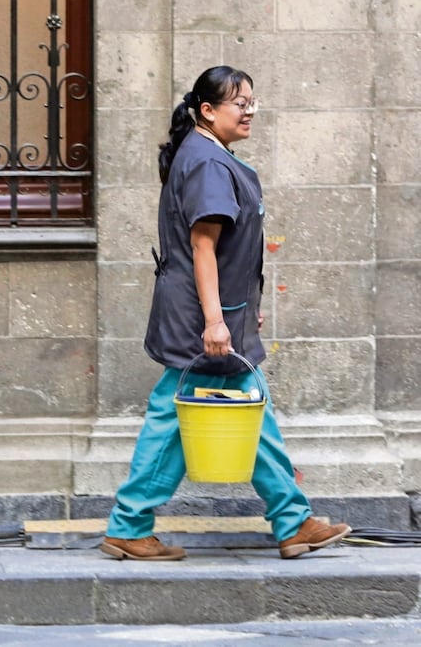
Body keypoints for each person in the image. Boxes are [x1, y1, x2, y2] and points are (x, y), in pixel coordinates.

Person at [100, 65, 351, 561]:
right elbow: (203, 246)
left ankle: (290, 519)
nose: (250, 109)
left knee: (239, 408)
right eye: (240, 102)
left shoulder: (206, 154)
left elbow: (227, 251)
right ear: (208, 110)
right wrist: (216, 321)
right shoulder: (210, 163)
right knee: (185, 413)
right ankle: (131, 525)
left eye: (252, 100)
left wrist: (239, 310)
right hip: (203, 319)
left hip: (216, 313)